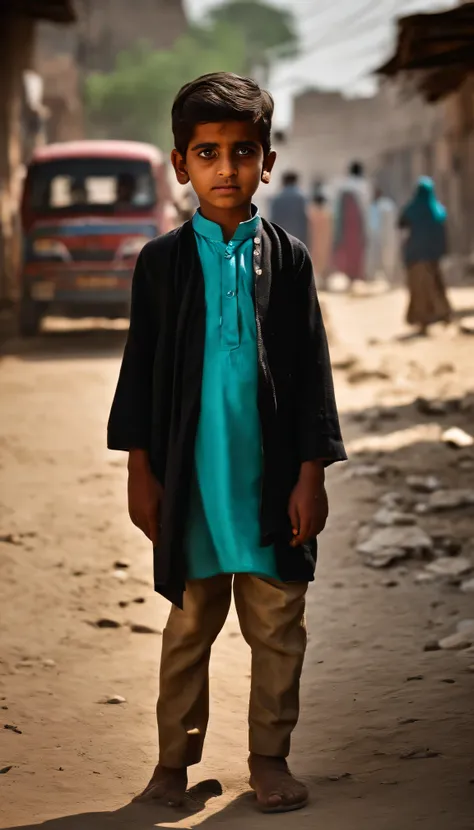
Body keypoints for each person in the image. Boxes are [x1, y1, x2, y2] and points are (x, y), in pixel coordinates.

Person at [107, 72, 346, 814]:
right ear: (180, 163)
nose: (225, 169)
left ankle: (269, 760)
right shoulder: (161, 264)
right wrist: (140, 473)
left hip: (271, 486)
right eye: (206, 153)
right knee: (187, 630)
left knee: (278, 628)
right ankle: (172, 766)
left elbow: (310, 373)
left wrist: (311, 474)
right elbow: (140, 375)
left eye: (242, 152)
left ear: (267, 161)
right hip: (192, 486)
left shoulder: (292, 260)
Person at [399, 176, 452, 335]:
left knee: (420, 289)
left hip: (415, 257)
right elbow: (443, 234)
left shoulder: (412, 209)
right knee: (434, 287)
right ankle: (438, 317)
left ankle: (425, 321)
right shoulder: (438, 210)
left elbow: (401, 224)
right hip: (432, 257)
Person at [332, 160, 371, 285]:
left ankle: (350, 277)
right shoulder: (364, 186)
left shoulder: (343, 186)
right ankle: (356, 277)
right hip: (358, 223)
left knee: (348, 250)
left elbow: (338, 209)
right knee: (358, 251)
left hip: (346, 223)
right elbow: (366, 208)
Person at [367, 187, 398, 284]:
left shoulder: (385, 206)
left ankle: (389, 279)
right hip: (378, 237)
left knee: (387, 259)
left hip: (385, 236)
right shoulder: (374, 206)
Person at [269, 171, 308, 245]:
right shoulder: (301, 198)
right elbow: (304, 219)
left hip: (281, 235)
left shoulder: (277, 197)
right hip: (298, 235)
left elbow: (273, 219)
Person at [308, 190, 333, 288]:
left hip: (314, 242)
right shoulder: (327, 214)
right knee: (325, 262)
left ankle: (318, 282)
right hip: (325, 242)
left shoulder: (311, 214)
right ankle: (324, 283)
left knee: (316, 262)